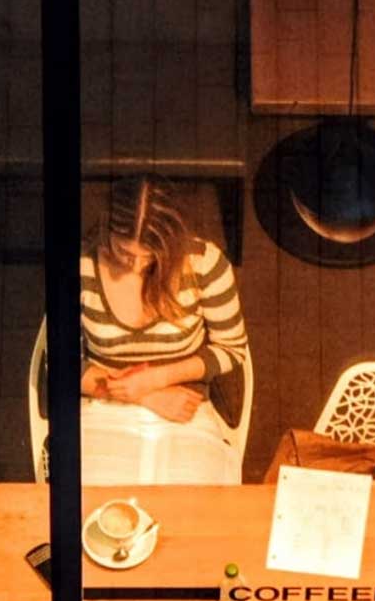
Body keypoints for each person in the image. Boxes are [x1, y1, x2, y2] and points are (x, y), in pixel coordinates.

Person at [79, 176, 250, 438]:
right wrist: (145, 397)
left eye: (150, 257)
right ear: (107, 229)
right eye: (123, 251)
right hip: (102, 404)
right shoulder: (80, 266)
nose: (135, 266)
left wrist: (156, 379)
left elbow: (232, 348)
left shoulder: (204, 263)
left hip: (185, 404)